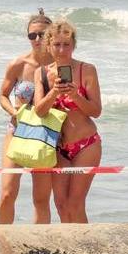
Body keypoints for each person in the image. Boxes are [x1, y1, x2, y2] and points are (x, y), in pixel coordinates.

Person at [32, 19, 101, 223]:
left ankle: (86, 251)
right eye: (57, 45)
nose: (62, 50)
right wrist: (54, 91)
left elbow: (96, 111)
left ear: (73, 45)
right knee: (61, 204)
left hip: (86, 143)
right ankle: (71, 252)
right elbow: (40, 111)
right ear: (49, 45)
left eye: (67, 45)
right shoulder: (42, 73)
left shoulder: (86, 70)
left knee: (75, 203)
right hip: (58, 147)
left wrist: (75, 95)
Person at [0, 9, 55, 224]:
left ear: (50, 35)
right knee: (7, 192)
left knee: (41, 198)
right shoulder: (18, 64)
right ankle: (2, 240)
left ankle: (41, 245)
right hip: (17, 130)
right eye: (32, 35)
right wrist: (14, 112)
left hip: (45, 134)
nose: (37, 39)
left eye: (42, 34)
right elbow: (2, 95)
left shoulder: (59, 65)